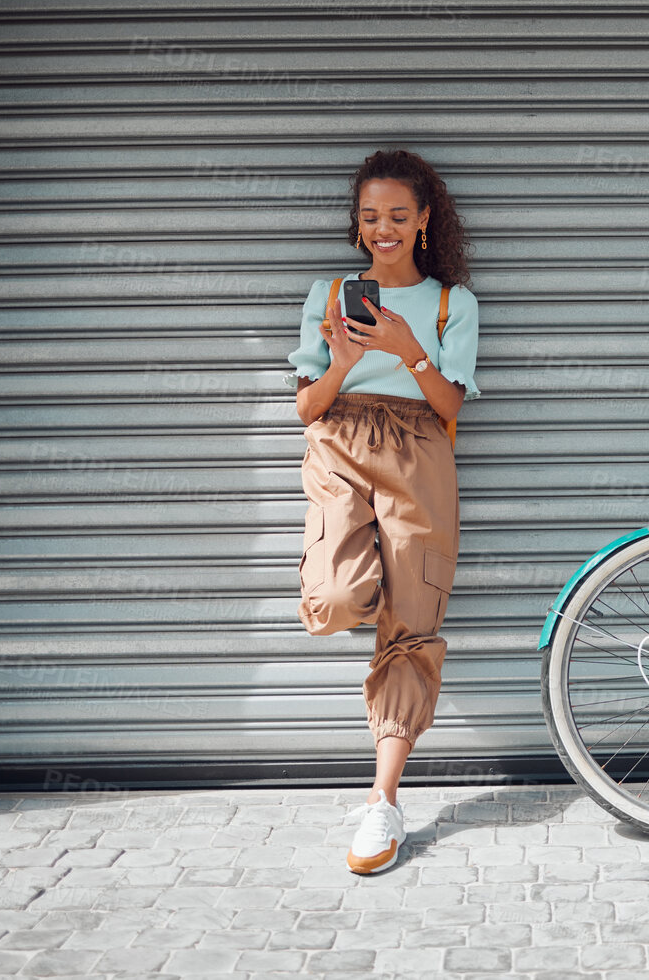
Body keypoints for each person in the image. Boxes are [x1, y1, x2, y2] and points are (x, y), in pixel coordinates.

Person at [286, 148, 478, 875]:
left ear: (424, 220)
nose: (383, 230)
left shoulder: (450, 304)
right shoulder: (329, 292)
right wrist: (339, 360)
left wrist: (408, 349)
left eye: (398, 216)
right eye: (370, 217)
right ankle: (366, 585)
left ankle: (383, 800)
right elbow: (306, 407)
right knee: (335, 600)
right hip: (339, 443)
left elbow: (452, 405)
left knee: (412, 626)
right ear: (357, 223)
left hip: (419, 453)